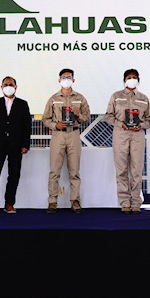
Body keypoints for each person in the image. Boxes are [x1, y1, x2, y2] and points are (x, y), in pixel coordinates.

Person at [0, 76, 32, 215]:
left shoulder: (22, 104)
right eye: (6, 84)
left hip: (16, 145)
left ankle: (9, 203)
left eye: (11, 84)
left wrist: (25, 144)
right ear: (2, 87)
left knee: (14, 175)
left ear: (16, 87)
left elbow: (27, 126)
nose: (8, 87)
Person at [42, 68, 91, 214]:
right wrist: (55, 125)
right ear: (59, 80)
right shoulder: (53, 99)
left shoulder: (80, 98)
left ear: (73, 80)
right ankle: (52, 201)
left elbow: (86, 119)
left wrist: (78, 114)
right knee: (54, 170)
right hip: (58, 135)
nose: (66, 80)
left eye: (69, 78)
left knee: (74, 170)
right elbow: (45, 119)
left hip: (74, 134)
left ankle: (75, 201)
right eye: (63, 78)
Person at [105, 69, 150, 214]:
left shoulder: (143, 98)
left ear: (138, 80)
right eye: (129, 77)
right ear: (124, 80)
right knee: (121, 170)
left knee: (136, 170)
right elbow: (108, 116)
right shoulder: (116, 96)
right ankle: (124, 202)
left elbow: (149, 120)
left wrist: (141, 125)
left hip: (138, 135)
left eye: (134, 77)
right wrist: (121, 124)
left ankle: (136, 202)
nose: (132, 79)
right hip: (120, 134)